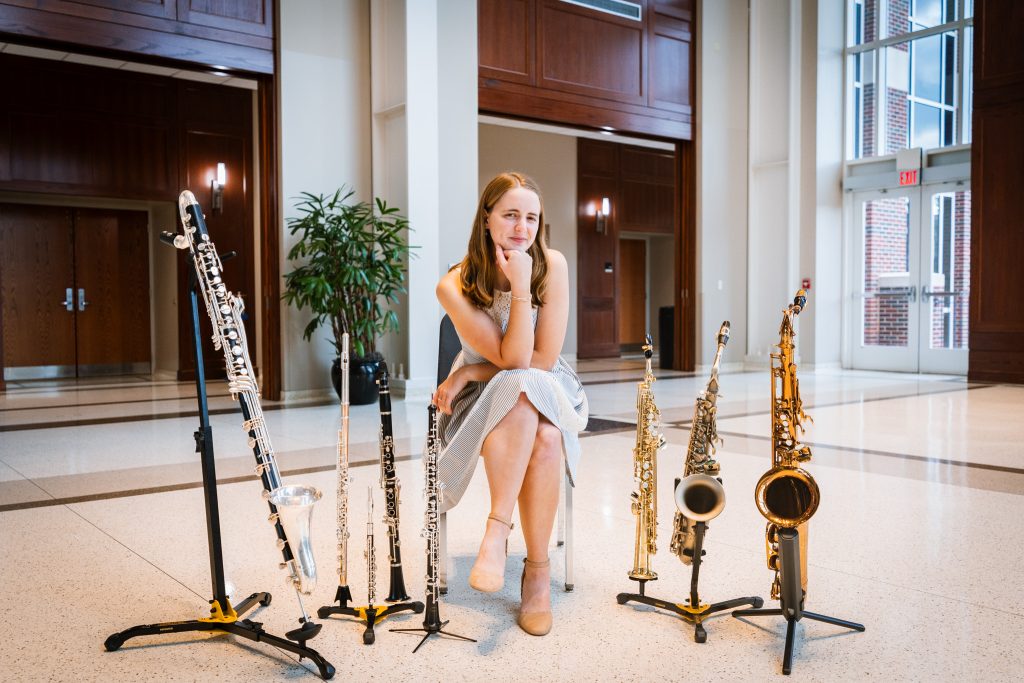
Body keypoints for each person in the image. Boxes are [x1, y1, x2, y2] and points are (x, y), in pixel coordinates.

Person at [434, 171, 588, 637]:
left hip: (547, 384)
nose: (523, 228)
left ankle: (499, 533)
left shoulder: (552, 265)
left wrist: (466, 369)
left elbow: (538, 361)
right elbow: (513, 360)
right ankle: (533, 571)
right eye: (511, 215)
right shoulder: (454, 284)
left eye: (532, 218)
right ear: (487, 219)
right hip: (482, 398)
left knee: (535, 408)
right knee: (539, 428)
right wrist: (472, 375)